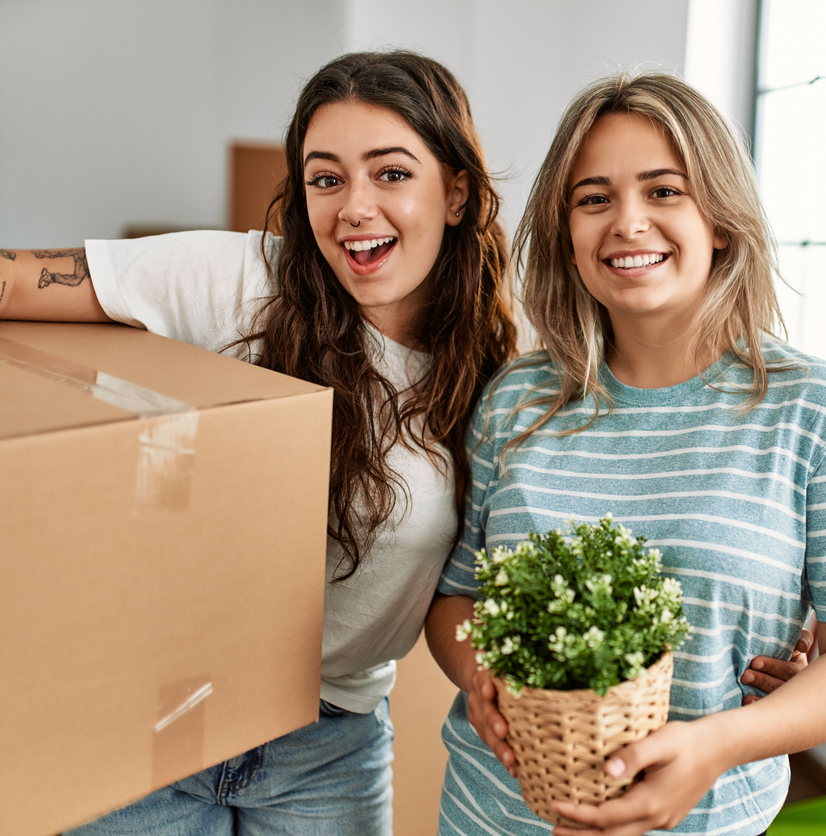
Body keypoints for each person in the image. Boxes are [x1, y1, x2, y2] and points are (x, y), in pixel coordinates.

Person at [0, 50, 517, 834]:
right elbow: (14, 280)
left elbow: (468, 583)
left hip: (330, 746)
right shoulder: (245, 283)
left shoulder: (492, 375)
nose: (353, 207)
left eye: (391, 173)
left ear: (456, 192)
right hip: (148, 719)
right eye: (327, 178)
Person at [425, 72, 826, 836]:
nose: (627, 222)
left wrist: (718, 746)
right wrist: (482, 675)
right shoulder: (514, 400)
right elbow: (454, 598)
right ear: (567, 233)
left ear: (720, 220)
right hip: (489, 816)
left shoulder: (821, 415)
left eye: (664, 191)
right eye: (594, 198)